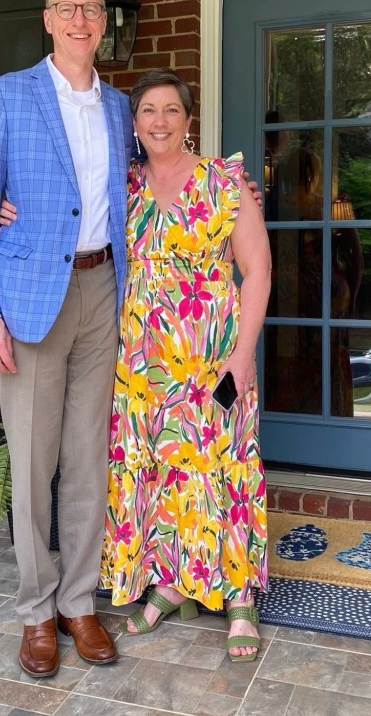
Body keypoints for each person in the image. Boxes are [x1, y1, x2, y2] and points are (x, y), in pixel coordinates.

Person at [0, 0, 131, 678]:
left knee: (88, 461)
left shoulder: (120, 106)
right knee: (32, 466)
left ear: (101, 21)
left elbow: (151, 179)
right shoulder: (6, 97)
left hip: (102, 294)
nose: (81, 19)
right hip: (29, 300)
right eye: (68, 8)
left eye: (91, 9)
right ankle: (35, 611)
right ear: (48, 19)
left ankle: (78, 602)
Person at [99, 69, 271, 661]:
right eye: (149, 110)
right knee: (160, 471)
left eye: (172, 110)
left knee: (226, 467)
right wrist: (9, 210)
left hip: (212, 355)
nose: (161, 121)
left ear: (189, 120)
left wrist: (242, 355)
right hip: (145, 363)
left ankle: (241, 596)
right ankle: (173, 583)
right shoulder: (122, 185)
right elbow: (67, 224)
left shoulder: (224, 181)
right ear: (135, 123)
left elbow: (259, 271)